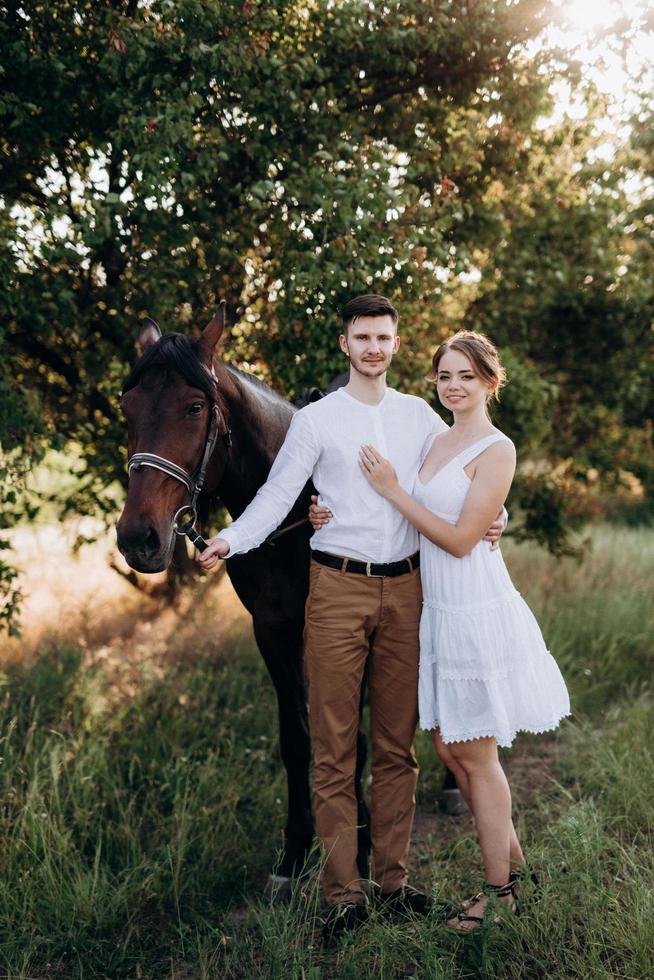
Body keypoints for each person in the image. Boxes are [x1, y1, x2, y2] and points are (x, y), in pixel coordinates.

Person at [196, 296, 504, 942]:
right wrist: (229, 540)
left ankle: (392, 884)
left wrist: (497, 518)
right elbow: (278, 495)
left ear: (395, 345)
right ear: (345, 345)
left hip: (408, 592)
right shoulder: (317, 421)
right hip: (336, 588)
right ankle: (344, 897)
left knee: (396, 749)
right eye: (361, 336)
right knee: (334, 750)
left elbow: (460, 482)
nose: (372, 347)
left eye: (383, 337)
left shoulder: (420, 418)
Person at [346, 329, 570, 930]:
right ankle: (520, 878)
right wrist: (328, 509)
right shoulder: (434, 438)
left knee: (476, 752)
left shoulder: (498, 448)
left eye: (466, 376)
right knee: (450, 746)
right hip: (437, 608)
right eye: (445, 375)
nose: (453, 386)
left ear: (490, 383)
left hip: (474, 605)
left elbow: (461, 537)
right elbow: (432, 508)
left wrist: (394, 492)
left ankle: (497, 895)